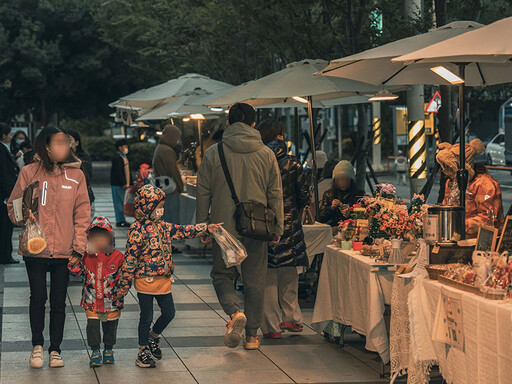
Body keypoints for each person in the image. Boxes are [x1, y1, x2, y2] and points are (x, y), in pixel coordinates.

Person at [196, 102, 284, 350]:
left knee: (223, 275)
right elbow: (275, 194)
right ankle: (252, 336)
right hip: (257, 228)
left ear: (228, 124)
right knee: (255, 280)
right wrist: (278, 227)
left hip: (223, 229)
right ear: (254, 124)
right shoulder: (267, 154)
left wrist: (203, 225)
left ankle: (235, 313)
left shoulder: (214, 153)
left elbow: (203, 192)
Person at [7, 125, 90, 368]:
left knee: (58, 302)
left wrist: (79, 248)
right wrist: (25, 215)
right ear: (47, 146)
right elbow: (13, 208)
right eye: (61, 142)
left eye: (67, 142)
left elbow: (83, 214)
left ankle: (55, 350)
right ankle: (37, 346)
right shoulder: (28, 172)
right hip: (35, 248)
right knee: (38, 297)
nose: (67, 146)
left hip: (65, 249)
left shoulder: (76, 176)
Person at [116, 184, 222, 368]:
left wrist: (206, 228)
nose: (161, 210)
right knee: (146, 316)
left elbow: (183, 230)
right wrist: (124, 283)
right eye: (158, 207)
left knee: (169, 313)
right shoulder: (136, 230)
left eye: (161, 206)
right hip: (145, 281)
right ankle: (143, 350)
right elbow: (130, 258)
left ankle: (153, 337)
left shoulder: (163, 226)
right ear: (148, 207)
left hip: (163, 280)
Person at [256, 119, 310, 339]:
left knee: (268, 277)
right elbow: (304, 196)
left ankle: (271, 327)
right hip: (290, 225)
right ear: (279, 136)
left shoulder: (257, 161)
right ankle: (292, 318)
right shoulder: (293, 163)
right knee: (289, 273)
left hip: (264, 224)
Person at [68, 217, 124, 367]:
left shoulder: (118, 257)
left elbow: (124, 276)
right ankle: (95, 351)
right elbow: (78, 273)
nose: (99, 241)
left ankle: (108, 349)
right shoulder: (86, 257)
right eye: (95, 237)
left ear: (110, 238)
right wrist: (74, 261)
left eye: (103, 237)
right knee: (92, 326)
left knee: (110, 327)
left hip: (112, 301)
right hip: (91, 300)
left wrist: (122, 289)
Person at [438, 139, 504, 236]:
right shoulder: (451, 182)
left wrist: (458, 225)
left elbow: (488, 220)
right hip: (456, 236)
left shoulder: (484, 184)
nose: (448, 173)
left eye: (451, 168)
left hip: (482, 241)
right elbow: (447, 207)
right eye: (445, 168)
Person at [152, 124, 184, 223]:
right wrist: (180, 186)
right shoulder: (166, 150)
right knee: (172, 216)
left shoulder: (160, 147)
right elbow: (173, 171)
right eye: (176, 138)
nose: (177, 141)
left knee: (166, 216)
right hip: (170, 189)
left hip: (162, 187)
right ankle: (174, 237)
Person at [319, 160, 365, 227]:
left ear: (351, 180)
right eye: (339, 179)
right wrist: (331, 208)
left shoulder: (359, 195)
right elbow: (320, 218)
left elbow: (363, 217)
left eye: (345, 178)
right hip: (332, 228)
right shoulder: (328, 194)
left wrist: (350, 214)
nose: (342, 182)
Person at [0, 123, 20, 264]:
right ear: (3, 135)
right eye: (10, 134)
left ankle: (6, 254)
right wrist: (9, 194)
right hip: (5, 195)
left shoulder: (4, 149)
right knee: (6, 227)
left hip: (6, 194)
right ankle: (5, 255)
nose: (12, 136)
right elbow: (3, 174)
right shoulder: (1, 150)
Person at [67, 130, 96, 216]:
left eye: (69, 140)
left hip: (84, 199)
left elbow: (87, 177)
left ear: (77, 143)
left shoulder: (84, 158)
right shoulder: (60, 159)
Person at [110, 139, 130, 227]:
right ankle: (119, 220)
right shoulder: (118, 158)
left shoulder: (123, 157)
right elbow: (119, 172)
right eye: (124, 146)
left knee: (121, 201)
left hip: (121, 184)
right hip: (118, 184)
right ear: (119, 147)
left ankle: (121, 219)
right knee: (118, 202)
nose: (126, 148)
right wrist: (123, 183)